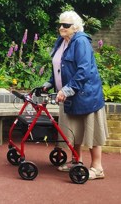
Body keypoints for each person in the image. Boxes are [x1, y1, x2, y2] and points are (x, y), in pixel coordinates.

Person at [42, 10, 109, 180]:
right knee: (73, 130)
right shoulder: (62, 41)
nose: (61, 28)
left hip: (86, 95)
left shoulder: (81, 42)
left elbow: (84, 70)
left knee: (91, 131)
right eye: (60, 24)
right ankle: (76, 161)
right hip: (69, 96)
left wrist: (66, 89)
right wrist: (50, 82)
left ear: (76, 27)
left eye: (66, 25)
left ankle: (97, 167)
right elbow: (59, 66)